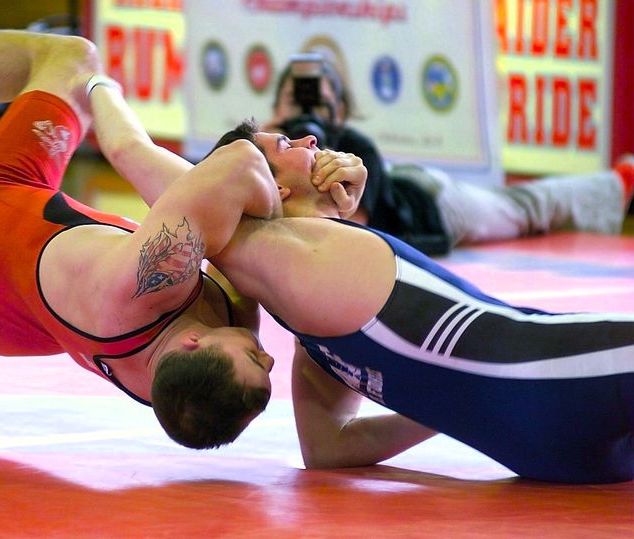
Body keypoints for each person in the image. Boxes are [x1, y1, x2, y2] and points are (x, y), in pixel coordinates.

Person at [0, 9, 306, 448]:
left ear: (193, 341)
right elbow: (257, 248)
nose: (269, 358)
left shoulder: (154, 277)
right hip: (20, 322)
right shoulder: (180, 394)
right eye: (265, 369)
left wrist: (98, 84)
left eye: (254, 362)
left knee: (70, 55)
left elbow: (235, 161)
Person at [170, 120, 634, 484]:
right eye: (286, 144)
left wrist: (444, 408)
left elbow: (328, 450)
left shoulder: (308, 333)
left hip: (544, 459)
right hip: (562, 379)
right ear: (267, 187)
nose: (310, 138)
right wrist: (95, 84)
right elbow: (168, 179)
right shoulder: (280, 252)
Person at [264, 55, 634, 254]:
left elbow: (347, 233)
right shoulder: (266, 149)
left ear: (340, 110)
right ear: (277, 105)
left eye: (321, 102)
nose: (306, 120)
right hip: (399, 182)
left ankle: (621, 181)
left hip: (429, 201)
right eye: (296, 100)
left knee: (523, 208)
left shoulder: (355, 146)